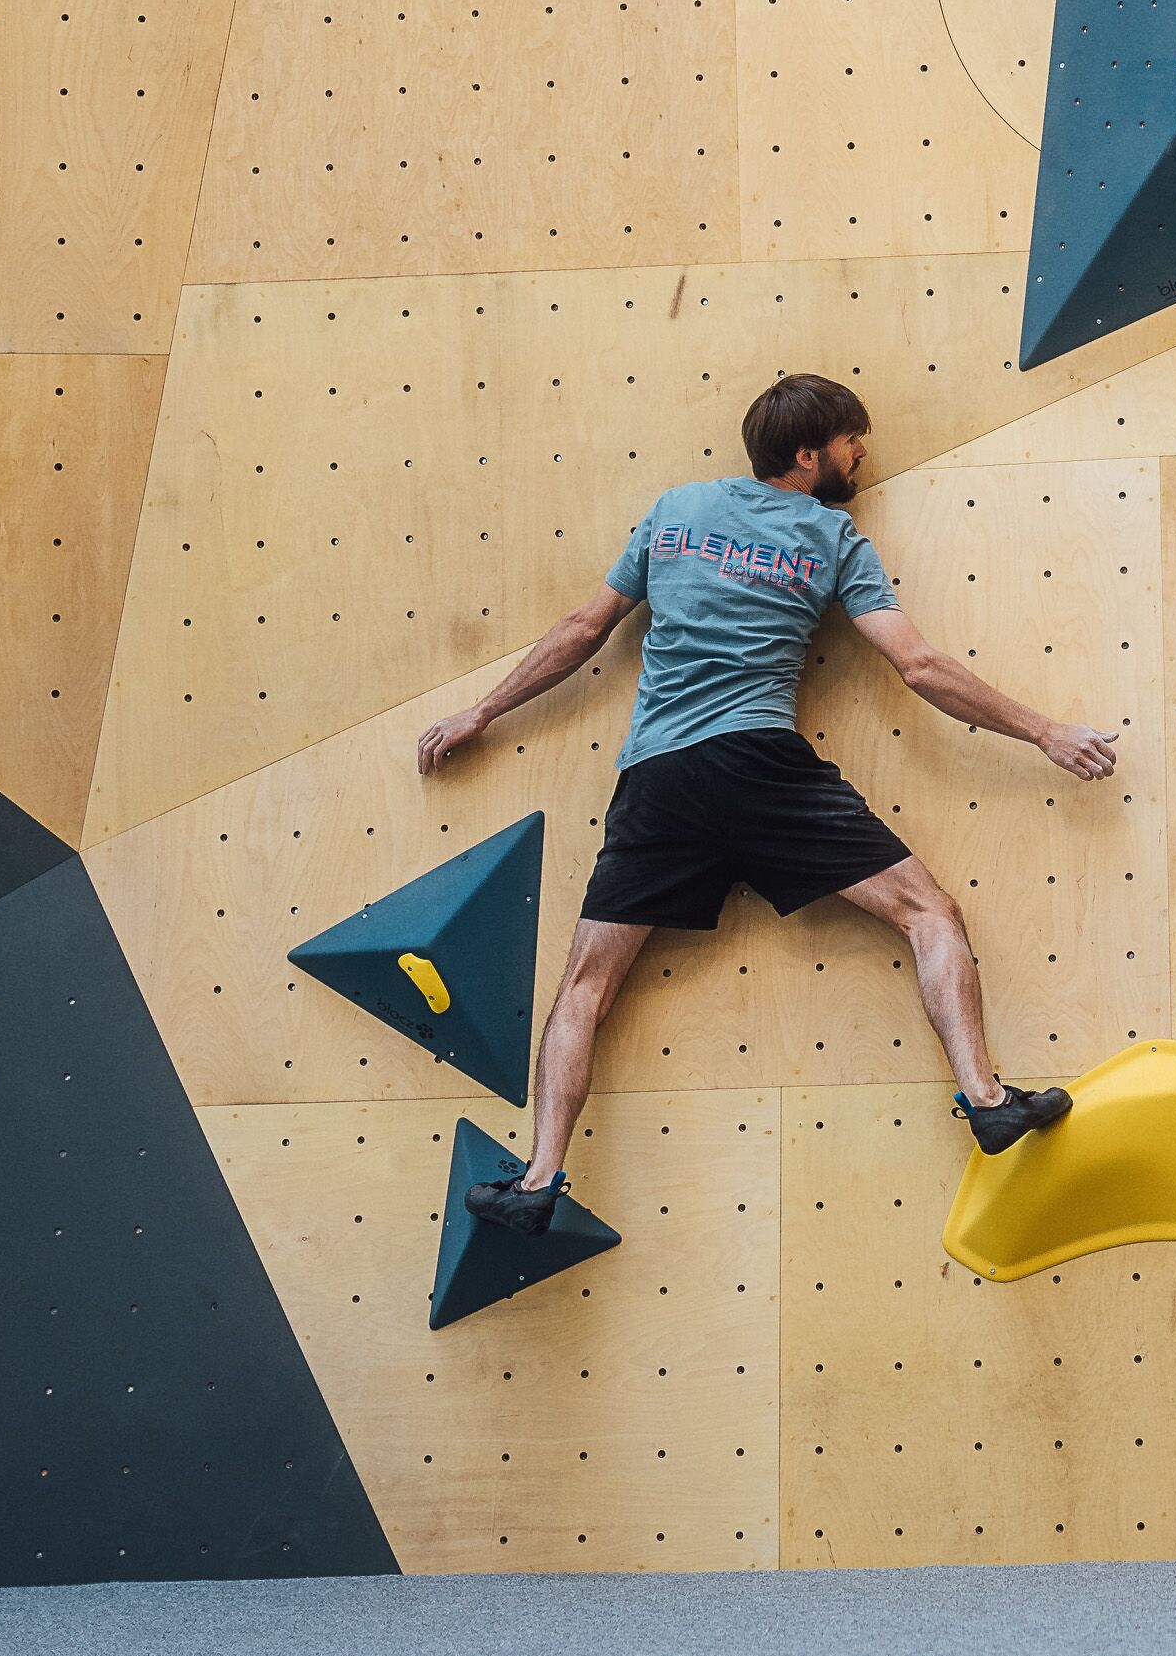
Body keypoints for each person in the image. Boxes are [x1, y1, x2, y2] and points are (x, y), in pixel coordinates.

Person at [417, 371, 1119, 1235]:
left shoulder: (675, 510)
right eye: (852, 439)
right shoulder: (832, 537)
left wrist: (480, 711)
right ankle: (984, 1097)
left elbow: (581, 629)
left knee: (586, 983)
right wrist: (1044, 730)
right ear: (806, 453)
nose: (862, 451)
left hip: (661, 779)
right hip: (760, 766)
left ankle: (538, 1179)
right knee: (928, 913)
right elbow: (921, 666)